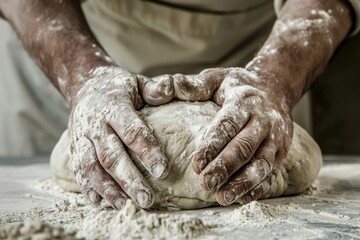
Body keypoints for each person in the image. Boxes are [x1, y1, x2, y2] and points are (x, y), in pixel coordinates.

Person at [0, 0, 358, 210]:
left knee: (255, 148)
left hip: (259, 50)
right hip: (67, 48)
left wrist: (275, 78)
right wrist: (83, 77)